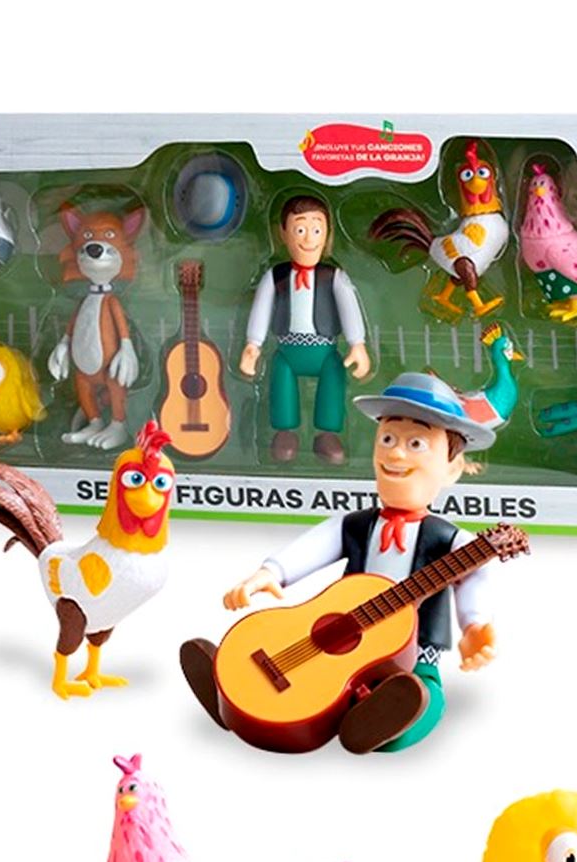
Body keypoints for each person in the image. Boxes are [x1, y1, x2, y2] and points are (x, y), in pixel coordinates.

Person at [180, 372, 499, 753]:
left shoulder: (450, 541)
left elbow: (474, 577)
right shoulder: (357, 524)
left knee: (422, 694)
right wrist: (270, 572)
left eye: (415, 443)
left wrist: (474, 625)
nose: (396, 454)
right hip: (340, 635)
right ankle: (231, 688)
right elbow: (313, 547)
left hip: (411, 655)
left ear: (452, 468)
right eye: (388, 439)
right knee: (317, 669)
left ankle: (382, 722)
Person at [241, 194, 371, 466]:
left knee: (333, 384)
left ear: (327, 234)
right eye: (300, 229)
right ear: (283, 233)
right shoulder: (276, 276)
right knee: (281, 386)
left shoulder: (333, 277)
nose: (309, 238)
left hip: (325, 351)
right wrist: (253, 344)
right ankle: (285, 433)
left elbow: (349, 309)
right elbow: (261, 309)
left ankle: (327, 435)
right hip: (287, 351)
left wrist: (357, 344)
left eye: (316, 230)